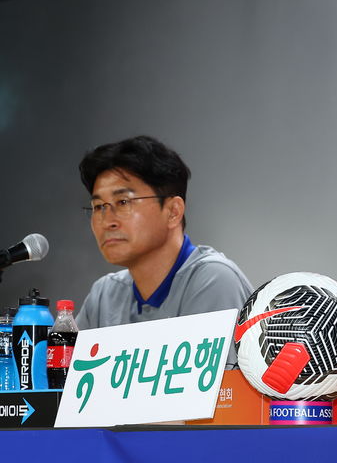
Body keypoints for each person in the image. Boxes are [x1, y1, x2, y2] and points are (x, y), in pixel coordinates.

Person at [76, 136, 253, 367]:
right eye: (99, 207)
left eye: (123, 203)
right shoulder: (104, 295)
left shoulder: (213, 280)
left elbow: (211, 398)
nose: (107, 221)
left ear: (173, 212)